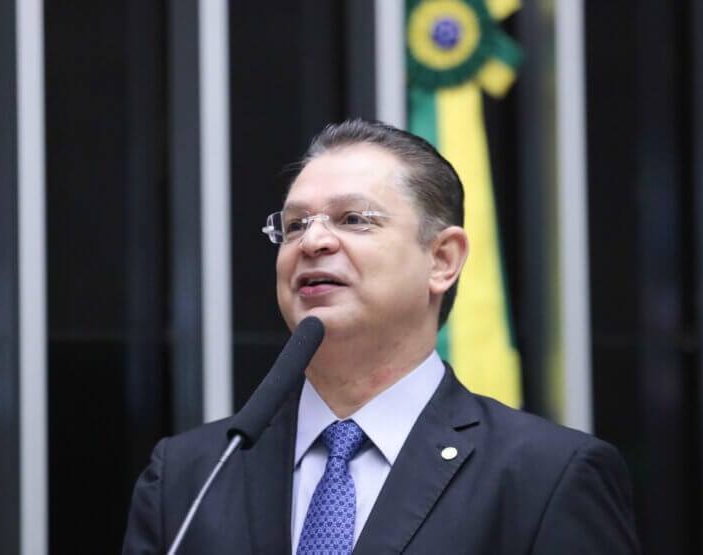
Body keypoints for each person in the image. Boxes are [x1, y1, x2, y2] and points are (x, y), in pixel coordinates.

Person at [122, 119, 640, 554]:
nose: (315, 241)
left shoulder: (546, 477)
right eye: (296, 224)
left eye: (353, 219)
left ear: (442, 260)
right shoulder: (192, 476)